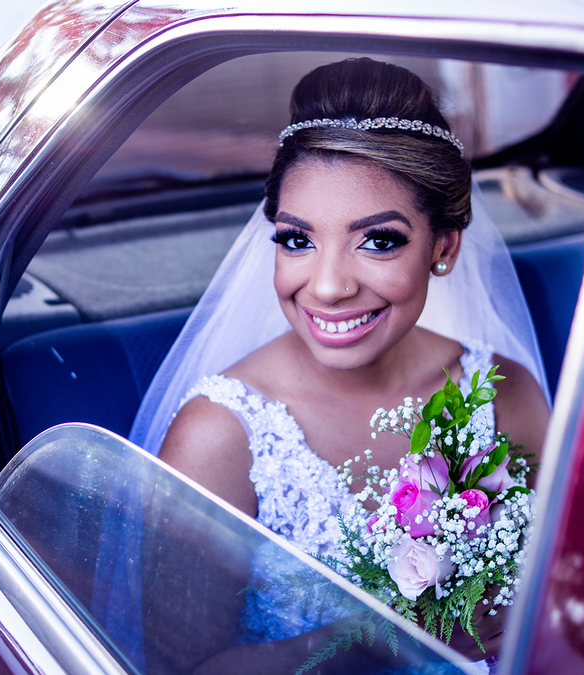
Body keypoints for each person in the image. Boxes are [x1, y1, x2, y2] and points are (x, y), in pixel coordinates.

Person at [129, 57, 552, 669]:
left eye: (378, 241)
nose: (328, 287)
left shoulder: (502, 392)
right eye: (297, 240)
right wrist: (367, 641)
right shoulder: (221, 435)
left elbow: (570, 593)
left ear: (443, 246)